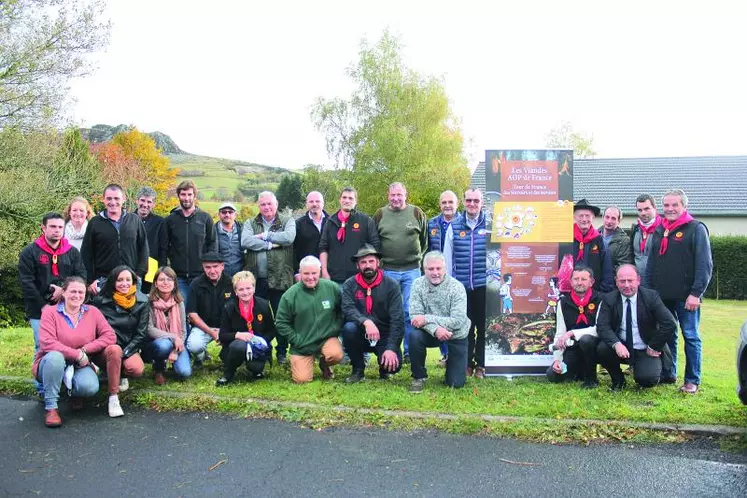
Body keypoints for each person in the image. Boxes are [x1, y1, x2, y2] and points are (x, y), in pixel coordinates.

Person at [644, 189, 713, 394]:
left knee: (690, 336)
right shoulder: (660, 229)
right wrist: (648, 293)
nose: (670, 209)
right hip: (661, 296)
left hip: (686, 297)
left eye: (675, 205)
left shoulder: (696, 228)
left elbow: (704, 264)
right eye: (666, 205)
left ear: (684, 206)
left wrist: (696, 293)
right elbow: (651, 264)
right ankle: (669, 372)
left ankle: (692, 380)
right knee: (668, 334)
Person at [33, 276, 117, 427]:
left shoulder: (93, 312)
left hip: (80, 364)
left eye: (81, 292)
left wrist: (85, 350)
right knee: (55, 358)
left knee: (90, 387)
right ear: (63, 292)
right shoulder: (50, 313)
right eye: (73, 291)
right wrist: (76, 354)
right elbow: (47, 343)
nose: (77, 295)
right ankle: (51, 407)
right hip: (51, 363)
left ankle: (74, 393)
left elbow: (110, 336)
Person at [597, 264, 677, 390]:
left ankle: (648, 370)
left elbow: (669, 323)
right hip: (621, 347)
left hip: (645, 348)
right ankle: (618, 380)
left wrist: (654, 346)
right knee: (602, 348)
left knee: (647, 380)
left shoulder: (651, 297)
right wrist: (616, 344)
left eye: (630, 280)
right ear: (616, 282)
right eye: (622, 281)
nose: (627, 285)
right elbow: (602, 326)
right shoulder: (609, 299)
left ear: (638, 280)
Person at [373, 182, 427, 363]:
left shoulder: (416, 213)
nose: (396, 198)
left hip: (412, 271)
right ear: (388, 195)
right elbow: (375, 242)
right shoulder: (380, 214)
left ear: (406, 195)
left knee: (409, 312)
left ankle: (409, 352)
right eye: (392, 195)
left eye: (399, 195)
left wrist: (417, 259)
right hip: (388, 271)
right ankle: (391, 350)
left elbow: (424, 241)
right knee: (390, 312)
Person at [19, 213, 86, 354]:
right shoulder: (29, 252)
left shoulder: (72, 252)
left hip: (66, 306)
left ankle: (64, 375)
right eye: (53, 226)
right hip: (39, 308)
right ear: (43, 228)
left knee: (68, 345)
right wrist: (42, 306)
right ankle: (41, 376)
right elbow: (26, 282)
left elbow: (81, 276)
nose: (57, 230)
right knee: (42, 346)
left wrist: (63, 290)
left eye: (60, 227)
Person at [242, 191, 296, 364]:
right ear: (259, 205)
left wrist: (264, 236)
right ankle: (262, 350)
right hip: (256, 280)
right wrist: (272, 244)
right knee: (258, 317)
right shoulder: (251, 222)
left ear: (276, 204)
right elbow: (246, 241)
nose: (266, 207)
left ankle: (281, 351)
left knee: (281, 317)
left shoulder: (287, 221)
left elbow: (288, 238)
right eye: (263, 204)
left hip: (280, 278)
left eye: (269, 204)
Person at [408, 251, 471, 393]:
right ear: (424, 270)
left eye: (438, 268)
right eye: (430, 269)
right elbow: (415, 317)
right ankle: (418, 377)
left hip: (456, 333)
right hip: (429, 332)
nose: (435, 273)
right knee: (414, 336)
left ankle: (452, 364)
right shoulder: (417, 285)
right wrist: (436, 329)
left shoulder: (457, 287)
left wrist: (427, 319)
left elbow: (458, 321)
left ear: (445, 269)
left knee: (456, 384)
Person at [275, 256, 343, 383]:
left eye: (314, 273)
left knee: (336, 355)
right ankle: (306, 362)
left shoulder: (332, 288)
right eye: (306, 273)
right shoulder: (290, 295)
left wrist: (335, 328)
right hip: (303, 344)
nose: (310, 277)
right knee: (302, 379)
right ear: (300, 272)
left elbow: (342, 312)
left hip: (326, 338)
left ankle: (324, 363)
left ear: (320, 271)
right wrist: (296, 340)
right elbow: (280, 322)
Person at [341, 244, 403, 383]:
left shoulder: (391, 285)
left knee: (394, 366)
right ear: (357, 265)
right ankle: (358, 370)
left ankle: (384, 368)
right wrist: (366, 321)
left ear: (378, 263)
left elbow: (397, 319)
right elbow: (347, 309)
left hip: (384, 334)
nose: (367, 265)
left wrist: (392, 348)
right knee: (349, 328)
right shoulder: (349, 284)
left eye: (371, 261)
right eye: (363, 262)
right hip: (360, 333)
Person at [92, 265, 148, 407]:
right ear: (113, 281)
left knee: (136, 369)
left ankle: (120, 373)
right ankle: (113, 394)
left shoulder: (142, 302)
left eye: (128, 280)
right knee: (114, 351)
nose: (124, 283)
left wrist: (126, 352)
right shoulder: (101, 301)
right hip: (106, 348)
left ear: (134, 281)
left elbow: (141, 334)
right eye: (120, 280)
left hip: (129, 347)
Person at [81, 184, 149, 296]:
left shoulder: (134, 220)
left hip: (130, 280)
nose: (113, 202)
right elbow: (86, 254)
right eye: (109, 198)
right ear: (103, 200)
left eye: (116, 198)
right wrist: (90, 281)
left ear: (124, 199)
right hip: (104, 280)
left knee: (132, 312)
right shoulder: (95, 223)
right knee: (105, 313)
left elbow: (144, 248)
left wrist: (139, 274)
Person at [450, 188, 489, 378]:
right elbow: (448, 258)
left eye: (476, 200)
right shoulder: (455, 225)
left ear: (482, 202)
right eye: (468, 200)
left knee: (483, 327)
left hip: (484, 286)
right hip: (461, 287)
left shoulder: (490, 224)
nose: (472, 204)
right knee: (465, 327)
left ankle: (481, 365)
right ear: (463, 202)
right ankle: (466, 364)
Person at [215, 271, 276, 386]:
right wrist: (237, 335)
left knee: (256, 367)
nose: (245, 292)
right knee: (238, 346)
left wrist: (261, 341)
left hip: (257, 347)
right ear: (235, 291)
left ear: (254, 288)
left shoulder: (264, 305)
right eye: (241, 289)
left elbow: (272, 330)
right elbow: (222, 335)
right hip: (236, 345)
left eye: (248, 288)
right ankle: (228, 374)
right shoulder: (229, 307)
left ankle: (255, 370)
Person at [546, 265, 601, 388]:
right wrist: (557, 360)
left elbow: (601, 329)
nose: (579, 283)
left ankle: (591, 379)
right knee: (553, 375)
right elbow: (560, 333)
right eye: (576, 279)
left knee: (586, 340)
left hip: (596, 347)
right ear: (571, 281)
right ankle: (577, 371)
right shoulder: (563, 302)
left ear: (591, 282)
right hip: (573, 348)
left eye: (583, 279)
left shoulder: (601, 299)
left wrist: (572, 333)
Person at [165, 180, 217, 300]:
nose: (186, 198)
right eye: (183, 194)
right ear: (178, 195)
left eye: (189, 194)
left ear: (195, 196)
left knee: (201, 312)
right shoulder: (170, 220)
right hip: (178, 277)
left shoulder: (205, 218)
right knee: (182, 313)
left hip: (201, 276)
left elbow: (212, 244)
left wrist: (208, 268)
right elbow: (164, 246)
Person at [319, 187, 380, 285]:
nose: (347, 201)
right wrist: (325, 272)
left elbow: (375, 246)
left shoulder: (366, 221)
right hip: (334, 278)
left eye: (350, 198)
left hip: (359, 279)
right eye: (344, 197)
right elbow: (323, 248)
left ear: (356, 201)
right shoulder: (330, 222)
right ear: (340, 200)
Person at [427, 190, 460, 366]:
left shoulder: (462, 223)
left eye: (450, 202)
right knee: (439, 314)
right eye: (444, 202)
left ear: (457, 204)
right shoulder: (432, 223)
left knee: (455, 316)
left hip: (458, 277)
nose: (447, 205)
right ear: (440, 204)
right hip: (436, 278)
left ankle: (456, 354)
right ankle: (445, 354)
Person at [185, 252, 234, 366]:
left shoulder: (231, 283)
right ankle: (200, 357)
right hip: (203, 327)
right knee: (194, 346)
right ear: (203, 267)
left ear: (222, 266)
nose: (212, 271)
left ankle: (227, 356)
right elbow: (192, 314)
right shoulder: (196, 284)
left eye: (215, 266)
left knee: (234, 349)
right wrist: (211, 332)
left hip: (227, 327)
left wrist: (224, 331)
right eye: (208, 267)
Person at [144, 266, 191, 385]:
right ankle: (158, 368)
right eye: (161, 280)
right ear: (155, 283)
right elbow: (149, 329)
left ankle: (173, 364)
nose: (165, 283)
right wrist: (173, 337)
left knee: (184, 373)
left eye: (169, 280)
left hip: (177, 344)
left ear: (175, 283)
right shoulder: (148, 301)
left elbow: (183, 331)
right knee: (164, 345)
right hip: (155, 343)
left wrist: (175, 351)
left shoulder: (179, 302)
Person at [571, 199, 613, 292]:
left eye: (587, 216)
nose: (584, 219)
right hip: (569, 294)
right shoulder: (565, 239)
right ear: (574, 217)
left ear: (593, 217)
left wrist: (602, 293)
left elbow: (607, 271)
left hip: (594, 294)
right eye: (581, 215)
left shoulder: (599, 240)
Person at [136, 187, 168, 294]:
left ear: (153, 204)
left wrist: (162, 272)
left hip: (151, 269)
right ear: (137, 200)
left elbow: (163, 249)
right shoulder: (128, 219)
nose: (145, 204)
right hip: (131, 268)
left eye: (149, 202)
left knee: (148, 301)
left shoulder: (160, 222)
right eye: (142, 200)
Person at [294, 191, 327, 275]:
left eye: (317, 201)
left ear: (323, 203)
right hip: (307, 273)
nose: (314, 204)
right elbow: (293, 251)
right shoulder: (298, 224)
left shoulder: (332, 222)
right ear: (306, 204)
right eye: (311, 201)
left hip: (329, 272)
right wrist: (296, 273)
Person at [629, 194, 662, 278]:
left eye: (646, 209)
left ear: (655, 208)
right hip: (638, 282)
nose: (643, 213)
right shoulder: (635, 230)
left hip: (657, 281)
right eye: (640, 210)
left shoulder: (664, 230)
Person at [214, 201, 244, 277]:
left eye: (230, 212)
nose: (227, 214)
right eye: (224, 212)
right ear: (219, 214)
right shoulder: (212, 231)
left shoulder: (243, 229)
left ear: (235, 215)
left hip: (240, 275)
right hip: (220, 276)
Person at [600, 205, 633, 271]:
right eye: (607, 217)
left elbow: (623, 267)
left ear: (619, 221)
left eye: (613, 218)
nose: (609, 221)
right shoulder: (594, 235)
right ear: (603, 217)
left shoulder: (624, 241)